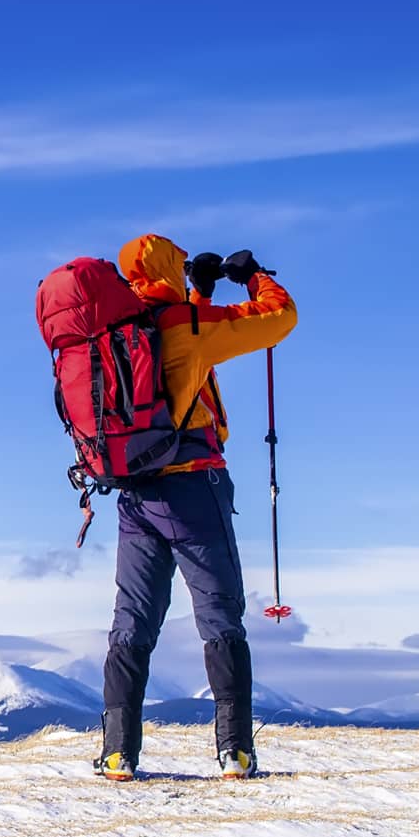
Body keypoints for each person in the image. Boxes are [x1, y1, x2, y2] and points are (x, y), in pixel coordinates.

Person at [95, 233, 298, 781]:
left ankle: (118, 752)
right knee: (219, 618)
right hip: (192, 491)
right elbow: (278, 319)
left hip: (135, 493)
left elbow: (177, 365)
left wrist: (201, 293)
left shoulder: (117, 331)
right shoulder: (185, 324)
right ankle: (234, 751)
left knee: (131, 622)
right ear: (168, 267)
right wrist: (254, 275)